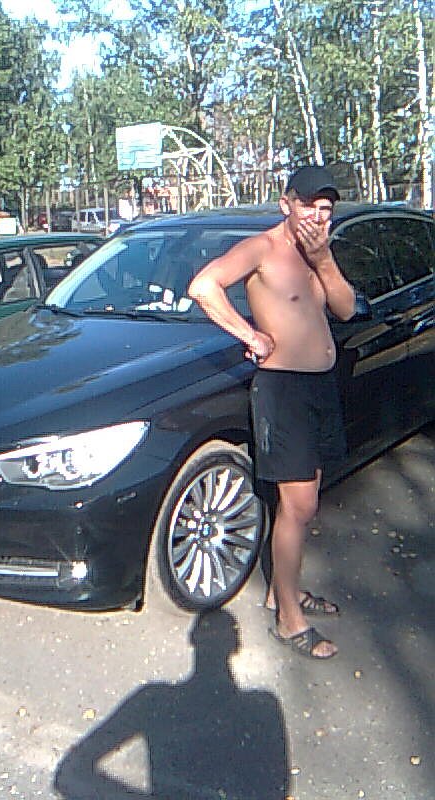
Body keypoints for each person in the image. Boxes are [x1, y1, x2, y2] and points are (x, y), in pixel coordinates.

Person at [188, 165, 356, 660]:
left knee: (304, 505)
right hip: (284, 391)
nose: (318, 216)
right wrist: (250, 335)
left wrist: (324, 259)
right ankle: (288, 620)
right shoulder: (262, 249)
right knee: (298, 507)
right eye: (309, 206)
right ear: (286, 204)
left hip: (320, 387)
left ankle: (283, 591)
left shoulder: (318, 254)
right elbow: (204, 286)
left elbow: (346, 309)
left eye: (326, 209)